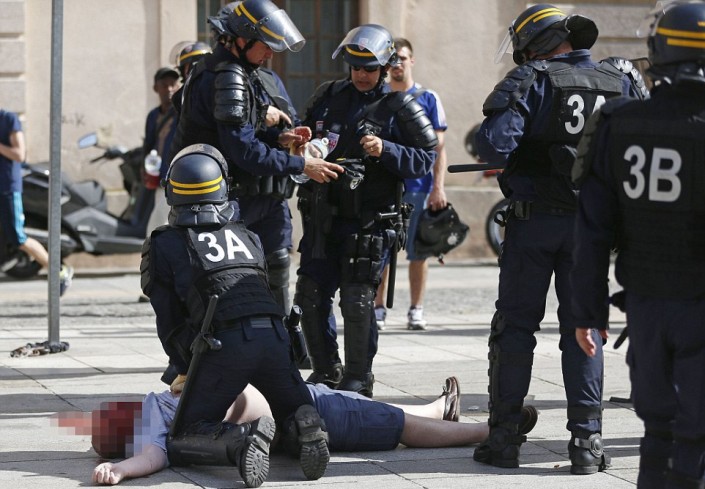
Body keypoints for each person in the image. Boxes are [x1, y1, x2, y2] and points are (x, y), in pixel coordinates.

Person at [472, 4, 648, 474]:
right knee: (584, 331)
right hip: (592, 229)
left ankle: (504, 440)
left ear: (537, 43)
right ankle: (587, 444)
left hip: (535, 224)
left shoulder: (533, 79)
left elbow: (492, 144)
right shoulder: (620, 80)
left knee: (514, 329)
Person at [571, 2, 705, 486]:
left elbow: (592, 230)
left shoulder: (618, 122)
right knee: (697, 437)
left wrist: (587, 312)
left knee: (657, 430)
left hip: (647, 305)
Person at [140, 144, 329, 482]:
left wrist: (187, 369)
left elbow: (169, 322)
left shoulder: (164, 242)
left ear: (172, 192)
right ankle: (303, 424)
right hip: (275, 339)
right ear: (223, 188)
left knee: (184, 434)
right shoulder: (249, 235)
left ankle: (241, 442)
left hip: (224, 345)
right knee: (292, 410)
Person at [169, 0, 343, 314]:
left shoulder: (234, 70)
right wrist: (302, 164)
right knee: (227, 282)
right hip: (225, 199)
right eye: (265, 45)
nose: (270, 54)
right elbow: (244, 151)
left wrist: (279, 137)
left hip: (249, 194)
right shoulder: (228, 75)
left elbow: (238, 131)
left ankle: (278, 339)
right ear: (241, 40)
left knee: (275, 267)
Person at [294, 24, 438, 397]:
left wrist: (387, 149)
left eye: (369, 68)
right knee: (310, 294)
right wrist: (299, 142)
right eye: (356, 67)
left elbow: (426, 156)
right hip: (322, 215)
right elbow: (301, 133)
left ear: (385, 67)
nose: (361, 74)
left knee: (357, 301)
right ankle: (325, 370)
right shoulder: (327, 96)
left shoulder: (400, 105)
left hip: (368, 221)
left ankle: (359, 377)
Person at [54, 378, 538, 485]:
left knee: (375, 415)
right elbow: (151, 458)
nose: (104, 412)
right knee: (392, 425)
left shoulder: (162, 406)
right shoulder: (153, 419)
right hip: (299, 408)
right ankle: (488, 429)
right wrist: (120, 469)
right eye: (104, 418)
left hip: (294, 400)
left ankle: (445, 411)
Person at [373, 37, 448, 331]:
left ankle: (416, 309)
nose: (397, 65)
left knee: (419, 252)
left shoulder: (428, 98)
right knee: (381, 251)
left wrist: (438, 187)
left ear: (411, 60)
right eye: (392, 60)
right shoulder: (379, 98)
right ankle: (378, 308)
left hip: (419, 188)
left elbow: (439, 148)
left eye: (402, 58)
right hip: (385, 187)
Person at [0, 108, 72, 295]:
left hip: (7, 188)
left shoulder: (8, 119)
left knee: (18, 237)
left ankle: (59, 271)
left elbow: (19, 154)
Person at [143, 67, 182, 236]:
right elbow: (148, 144)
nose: (169, 89)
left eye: (173, 84)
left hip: (175, 178)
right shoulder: (153, 116)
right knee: (159, 223)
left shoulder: (182, 113)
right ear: (156, 88)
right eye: (164, 85)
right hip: (159, 179)